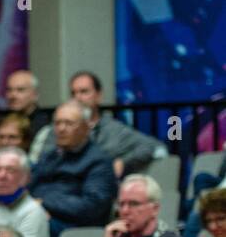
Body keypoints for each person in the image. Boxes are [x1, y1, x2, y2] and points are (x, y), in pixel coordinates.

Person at [31, 71, 166, 178]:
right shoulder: (59, 128)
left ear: (98, 95)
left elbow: (153, 147)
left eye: (84, 92)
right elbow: (44, 160)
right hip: (62, 185)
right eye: (73, 93)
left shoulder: (114, 130)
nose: (78, 97)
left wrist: (123, 162)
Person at [29, 100, 119, 236]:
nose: (61, 128)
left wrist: (44, 203)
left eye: (69, 123)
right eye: (57, 123)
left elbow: (92, 207)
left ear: (86, 127)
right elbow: (29, 187)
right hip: (41, 216)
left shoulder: (99, 161)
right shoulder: (50, 156)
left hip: (75, 228)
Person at [0, 71, 52, 169]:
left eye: (20, 90)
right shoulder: (0, 123)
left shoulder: (46, 126)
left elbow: (38, 168)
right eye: (9, 90)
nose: (13, 95)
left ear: (35, 95)